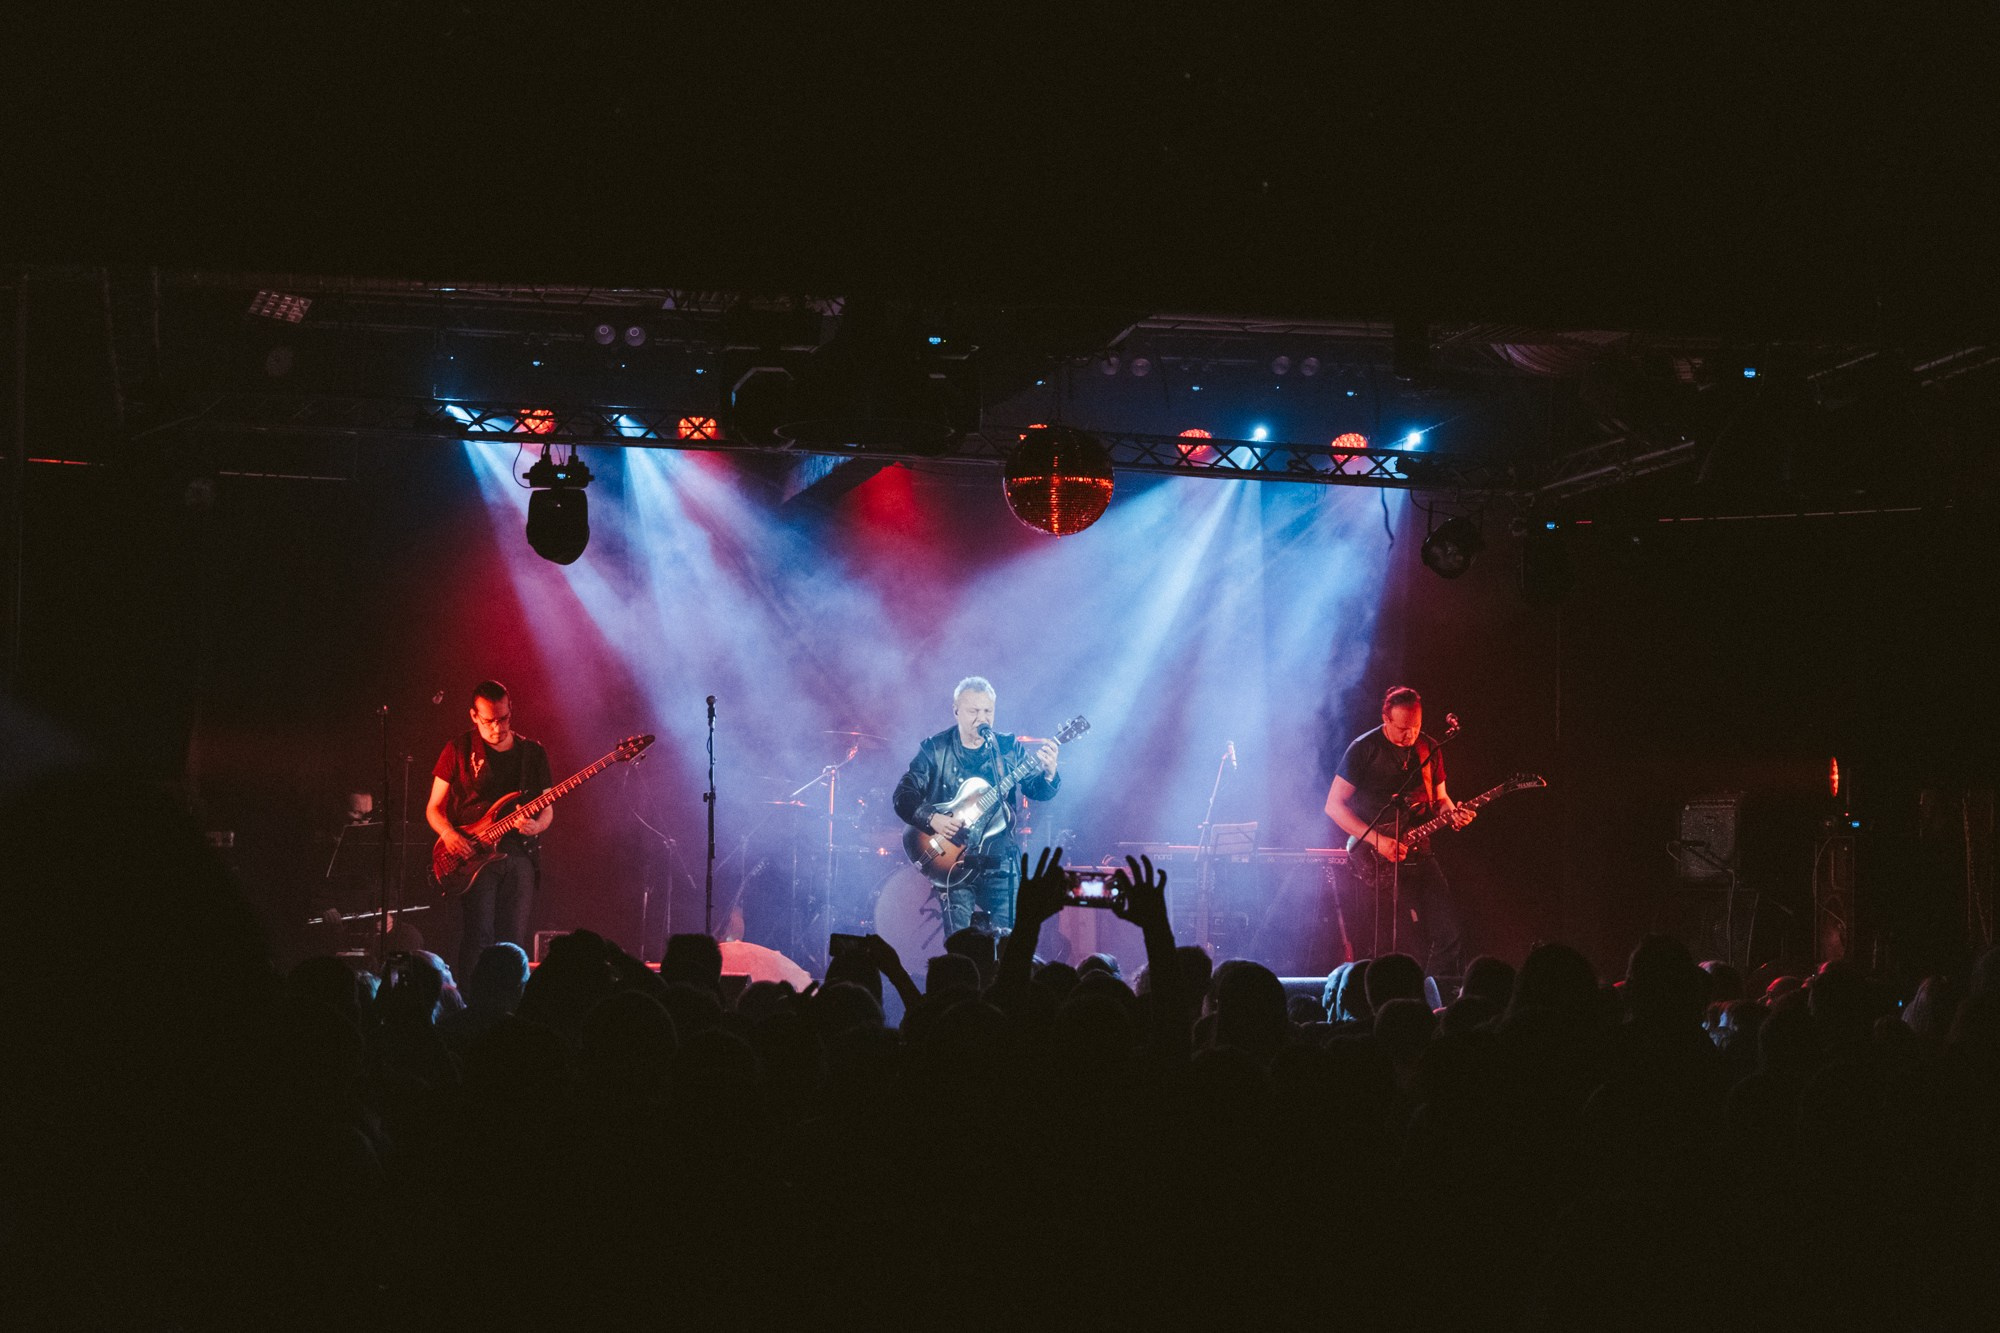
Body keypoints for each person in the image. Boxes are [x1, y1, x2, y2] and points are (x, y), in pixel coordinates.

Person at [1324, 685, 1472, 979]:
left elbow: (1441, 799)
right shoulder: (1365, 748)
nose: (1410, 735)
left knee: (1448, 934)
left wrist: (1452, 813)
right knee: (1398, 942)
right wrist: (1379, 841)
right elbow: (1334, 806)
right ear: (1386, 718)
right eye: (1403, 728)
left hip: (1420, 851)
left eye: (1415, 727)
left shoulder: (1429, 748)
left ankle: (1428, 1000)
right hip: (1375, 858)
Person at [892, 675, 1060, 934]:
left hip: (999, 860)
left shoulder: (1007, 747)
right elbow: (903, 795)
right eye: (973, 710)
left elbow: (1036, 789)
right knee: (961, 944)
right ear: (956, 710)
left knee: (1010, 941)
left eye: (987, 711)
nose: (982, 717)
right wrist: (932, 818)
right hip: (953, 861)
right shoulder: (935, 749)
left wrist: (1048, 774)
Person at [426, 680, 554, 983]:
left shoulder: (532, 752)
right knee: (478, 934)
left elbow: (548, 805)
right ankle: (471, 1003)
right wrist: (449, 834)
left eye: (504, 718)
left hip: (519, 854)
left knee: (513, 939)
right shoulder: (457, 749)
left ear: (511, 711)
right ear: (473, 715)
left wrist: (537, 825)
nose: (497, 727)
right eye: (488, 720)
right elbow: (433, 808)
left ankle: (511, 1002)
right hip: (474, 854)